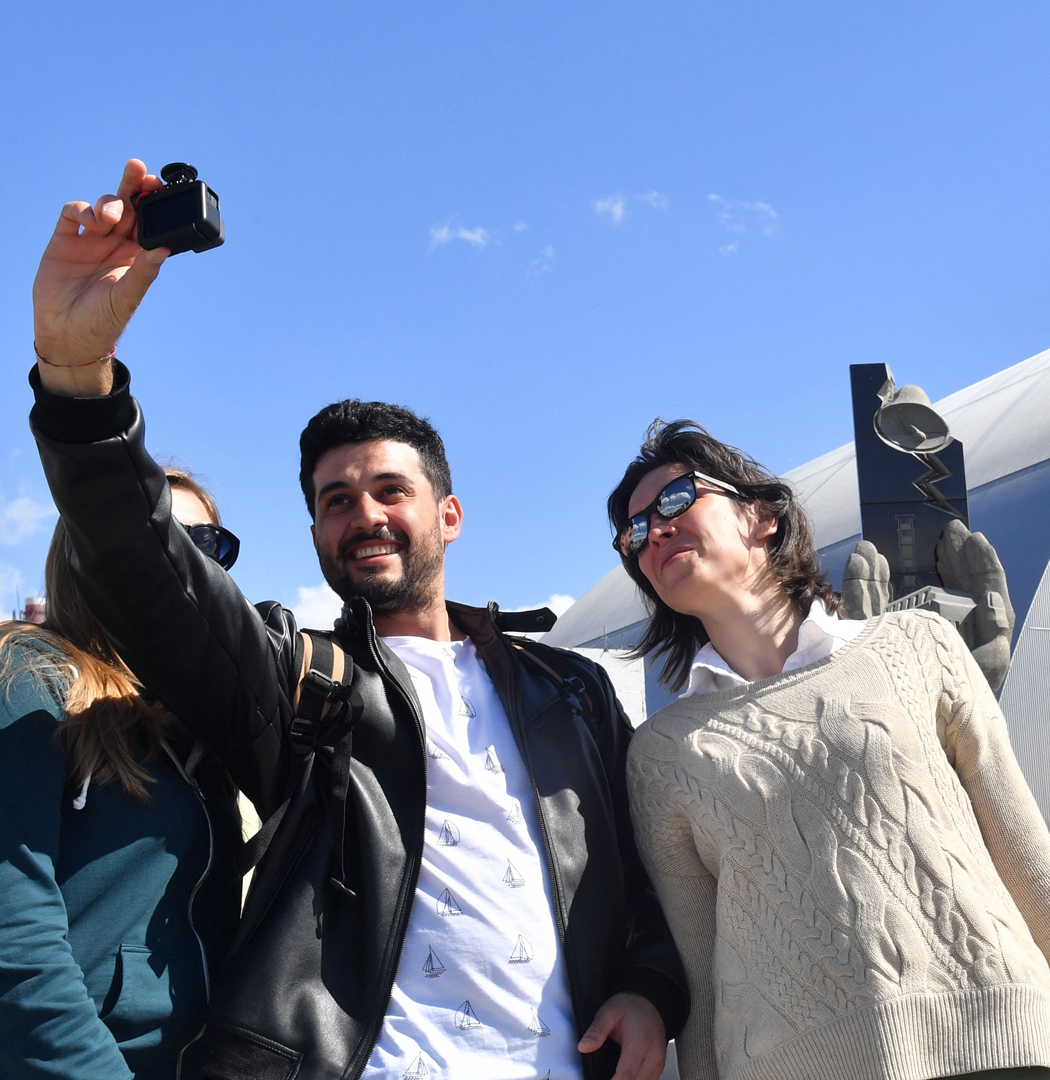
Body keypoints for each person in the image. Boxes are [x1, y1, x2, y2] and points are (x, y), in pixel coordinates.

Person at [28, 159, 689, 1080]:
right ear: (312, 532)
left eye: (389, 490)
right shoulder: (300, 681)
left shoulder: (571, 690)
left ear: (448, 515)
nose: (365, 515)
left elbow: (659, 869)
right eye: (336, 501)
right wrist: (76, 379)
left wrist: (650, 985)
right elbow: (147, 566)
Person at [610, 420, 1050, 1080]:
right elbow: (701, 974)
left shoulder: (916, 645)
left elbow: (1022, 849)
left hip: (995, 1045)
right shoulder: (663, 755)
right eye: (635, 532)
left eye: (675, 501)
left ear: (760, 515)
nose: (656, 531)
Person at [0, 472, 244, 1079]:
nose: (177, 563)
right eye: (149, 537)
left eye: (202, 544)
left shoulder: (204, 722)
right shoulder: (28, 679)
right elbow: (13, 940)